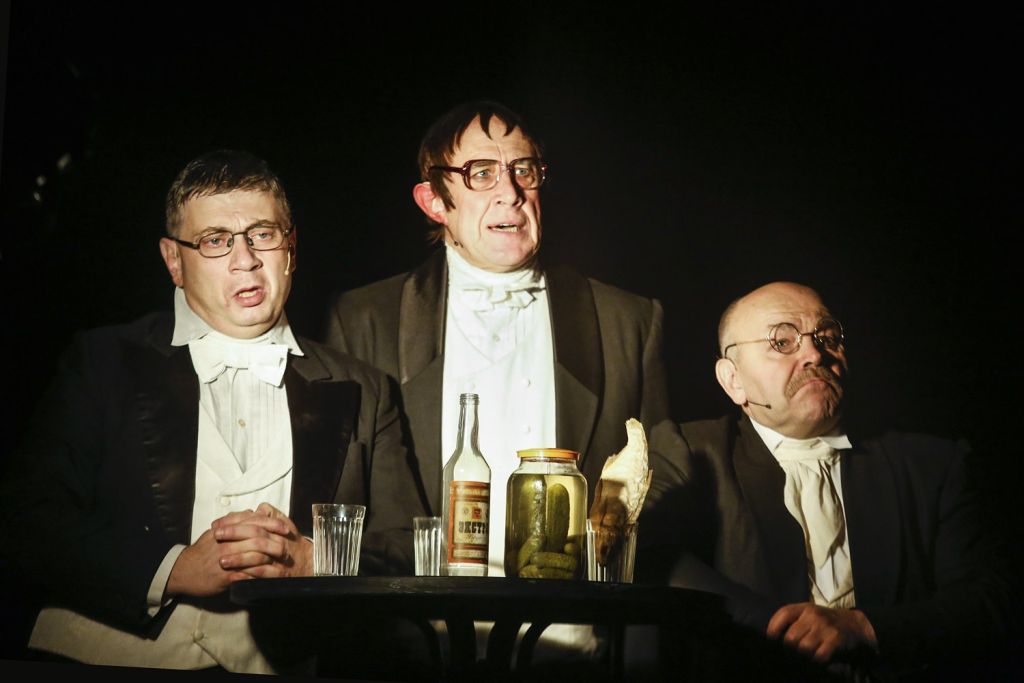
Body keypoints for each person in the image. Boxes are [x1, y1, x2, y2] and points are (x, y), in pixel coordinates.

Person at [0, 150, 424, 674]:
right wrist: (173, 569)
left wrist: (317, 560)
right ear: (174, 261)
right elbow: (26, 521)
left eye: (262, 235)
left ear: (291, 249)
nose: (245, 260)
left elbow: (411, 548)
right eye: (215, 240)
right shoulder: (102, 361)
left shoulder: (365, 387)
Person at [322, 100, 670, 579]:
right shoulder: (364, 319)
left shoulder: (627, 320)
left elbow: (662, 477)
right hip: (422, 618)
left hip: (576, 620)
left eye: (523, 170)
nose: (510, 193)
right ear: (434, 201)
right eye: (481, 173)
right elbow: (347, 506)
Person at [640, 281, 1017, 682]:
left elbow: (991, 600)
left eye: (827, 337)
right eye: (782, 341)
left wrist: (864, 628)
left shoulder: (932, 464)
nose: (814, 354)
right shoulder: (691, 451)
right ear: (733, 380)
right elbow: (644, 553)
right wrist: (778, 627)